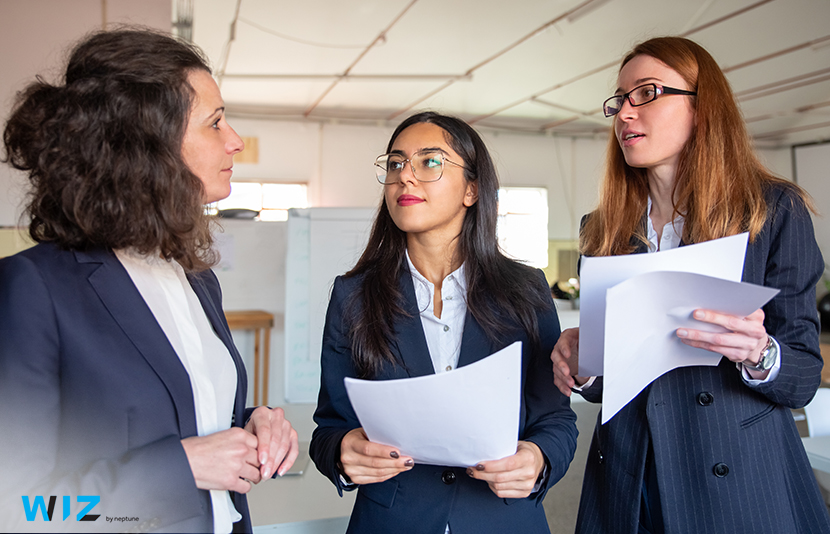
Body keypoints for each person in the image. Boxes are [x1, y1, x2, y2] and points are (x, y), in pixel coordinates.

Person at [0, 29, 298, 533]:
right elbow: (22, 512)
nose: (235, 141)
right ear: (146, 146)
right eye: (215, 123)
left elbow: (181, 412)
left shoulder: (196, 278)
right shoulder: (33, 290)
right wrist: (182, 469)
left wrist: (251, 424)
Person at [550, 36, 830, 534]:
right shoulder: (602, 228)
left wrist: (760, 353)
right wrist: (584, 367)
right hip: (631, 472)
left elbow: (804, 376)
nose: (625, 113)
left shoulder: (772, 211)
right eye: (620, 99)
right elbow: (604, 388)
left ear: (704, 109)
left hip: (736, 475)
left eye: (648, 92)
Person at [309, 111, 578, 534]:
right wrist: (344, 452)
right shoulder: (354, 295)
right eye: (396, 163)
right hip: (393, 520)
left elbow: (556, 420)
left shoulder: (525, 290)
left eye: (429, 162)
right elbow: (329, 428)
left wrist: (538, 458)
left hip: (502, 519)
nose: (405, 178)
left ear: (471, 189)